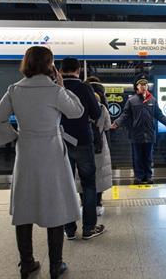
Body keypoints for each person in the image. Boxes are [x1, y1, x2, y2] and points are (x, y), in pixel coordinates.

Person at [0, 46, 84, 279]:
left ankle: (27, 263)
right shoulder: (54, 90)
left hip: (27, 151)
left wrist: (14, 135)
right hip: (52, 151)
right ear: (50, 65)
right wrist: (61, 87)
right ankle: (55, 265)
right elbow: (76, 112)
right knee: (56, 205)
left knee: (24, 205)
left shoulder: (14, 89)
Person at [59, 57, 105, 240]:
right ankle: (88, 228)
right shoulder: (85, 88)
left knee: (66, 185)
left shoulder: (55, 87)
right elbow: (96, 113)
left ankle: (69, 229)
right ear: (78, 70)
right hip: (83, 140)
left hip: (60, 141)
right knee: (88, 185)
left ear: (61, 70)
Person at [111, 75, 166, 184]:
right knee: (137, 157)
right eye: (141, 85)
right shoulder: (132, 100)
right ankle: (139, 177)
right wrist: (117, 123)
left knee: (148, 157)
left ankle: (148, 176)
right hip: (136, 134)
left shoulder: (152, 100)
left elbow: (159, 115)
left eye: (145, 85)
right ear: (137, 87)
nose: (143, 86)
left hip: (149, 133)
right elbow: (125, 115)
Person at [75, 83, 112, 216]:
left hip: (82, 145)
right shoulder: (102, 109)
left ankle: (83, 204)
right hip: (99, 147)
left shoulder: (78, 108)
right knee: (99, 177)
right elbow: (107, 126)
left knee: (81, 177)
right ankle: (97, 205)